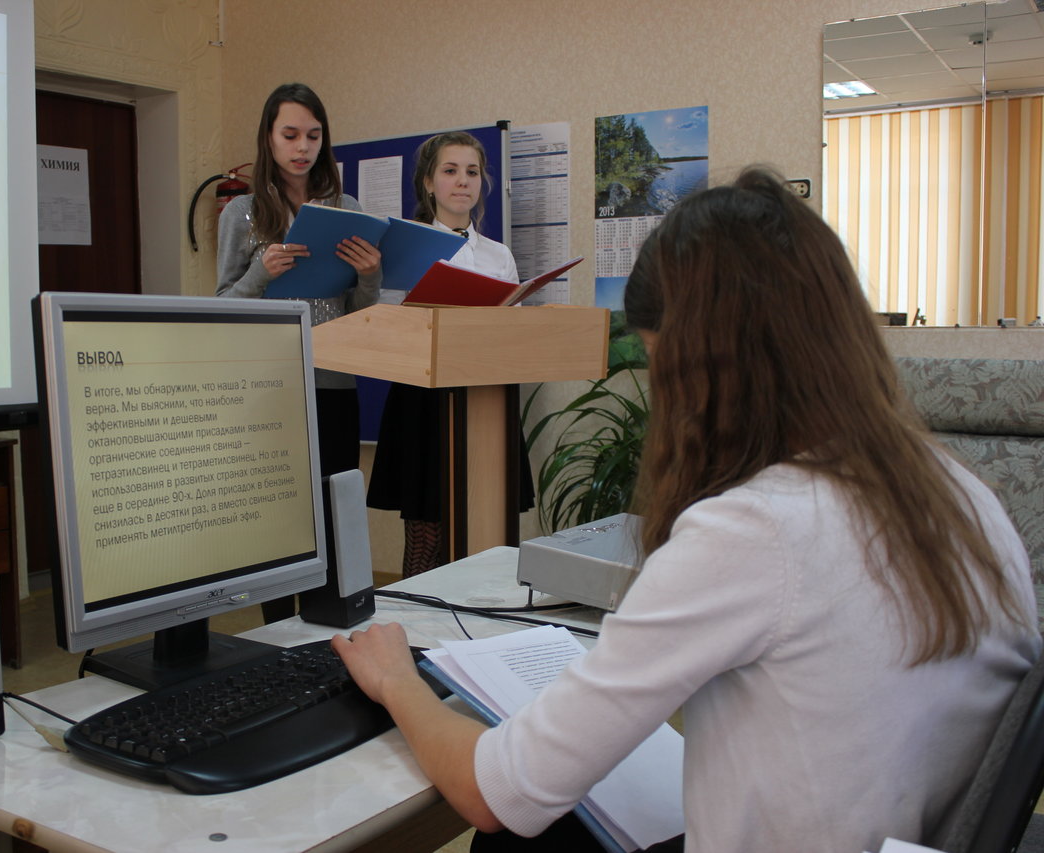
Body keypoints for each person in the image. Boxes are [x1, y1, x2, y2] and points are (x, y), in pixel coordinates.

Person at [334, 167, 1042, 852]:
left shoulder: (756, 528)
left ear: (705, 367)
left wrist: (396, 679)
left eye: (661, 369)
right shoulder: (960, 493)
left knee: (520, 836)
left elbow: (495, 793)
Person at [217, 82, 380, 621]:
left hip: (333, 382)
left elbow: (357, 313)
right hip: (269, 388)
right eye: (290, 135)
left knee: (334, 515)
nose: (302, 147)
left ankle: (332, 631)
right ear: (268, 138)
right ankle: (280, 634)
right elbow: (221, 307)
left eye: (313, 135)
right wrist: (260, 274)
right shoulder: (242, 212)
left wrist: (370, 276)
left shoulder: (346, 209)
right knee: (279, 521)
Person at [366, 131, 533, 576]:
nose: (463, 181)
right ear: (428, 182)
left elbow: (514, 332)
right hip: (425, 401)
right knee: (427, 535)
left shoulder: (498, 255)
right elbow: (388, 326)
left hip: (487, 398)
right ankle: (415, 614)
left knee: (486, 534)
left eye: (472, 172)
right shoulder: (407, 245)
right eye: (450, 170)